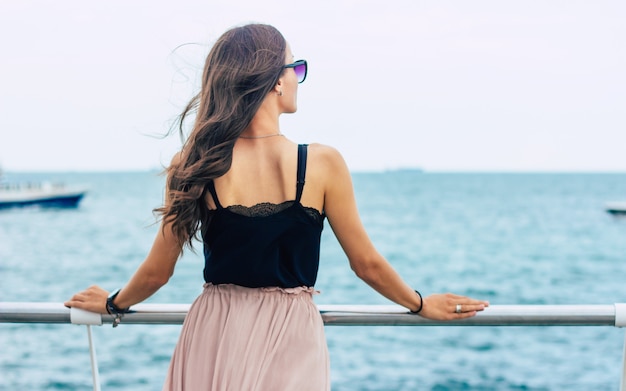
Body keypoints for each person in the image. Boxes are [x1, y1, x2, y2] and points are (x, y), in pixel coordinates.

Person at [65, 23, 489, 390]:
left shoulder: (195, 162)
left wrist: (113, 303)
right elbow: (367, 265)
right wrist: (419, 304)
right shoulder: (323, 162)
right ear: (275, 80)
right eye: (296, 68)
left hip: (215, 330)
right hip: (291, 334)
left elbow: (159, 271)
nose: (299, 78)